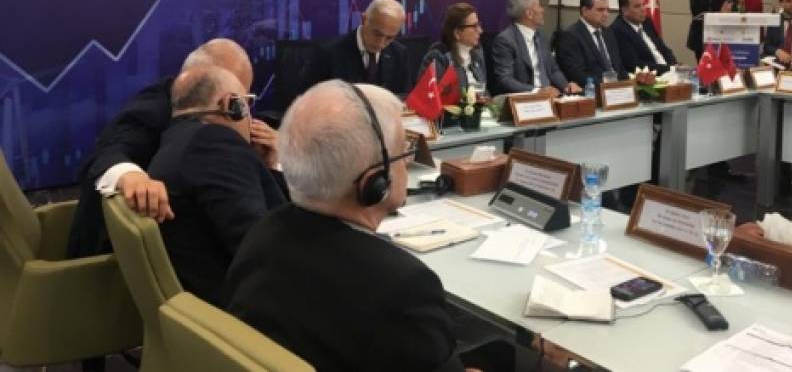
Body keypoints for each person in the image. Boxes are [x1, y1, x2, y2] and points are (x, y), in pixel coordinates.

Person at [224, 81, 497, 371]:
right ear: (373, 182)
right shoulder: (402, 284)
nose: (408, 161)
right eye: (404, 151)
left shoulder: (262, 234)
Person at [67, 39, 272, 259]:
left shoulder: (203, 123)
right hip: (110, 258)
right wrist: (132, 176)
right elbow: (106, 153)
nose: (240, 111)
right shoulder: (156, 108)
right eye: (236, 100)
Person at [150, 67, 287, 306]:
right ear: (231, 105)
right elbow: (261, 247)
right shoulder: (215, 143)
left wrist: (269, 168)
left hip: (197, 306)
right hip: (245, 309)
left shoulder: (175, 140)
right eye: (247, 103)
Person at [491, 0, 581, 97]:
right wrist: (536, 91)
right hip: (525, 98)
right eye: (539, 6)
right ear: (529, 14)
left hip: (549, 96)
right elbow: (505, 79)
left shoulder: (541, 36)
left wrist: (566, 86)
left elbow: (553, 70)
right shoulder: (505, 40)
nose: (543, 10)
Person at [325, 0, 411, 94]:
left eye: (389, 38)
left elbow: (404, 99)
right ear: (363, 19)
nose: (381, 44)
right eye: (377, 34)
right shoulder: (329, 54)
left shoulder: (399, 54)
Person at [556, 0, 626, 87]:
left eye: (607, 10)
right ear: (585, 11)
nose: (606, 14)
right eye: (600, 10)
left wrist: (626, 84)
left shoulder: (608, 32)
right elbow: (577, 74)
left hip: (617, 89)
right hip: (593, 90)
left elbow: (619, 66)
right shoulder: (570, 36)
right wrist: (606, 87)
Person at [420, 2, 488, 94]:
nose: (480, 31)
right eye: (474, 26)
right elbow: (430, 95)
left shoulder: (477, 53)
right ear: (457, 33)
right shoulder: (438, 56)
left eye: (479, 25)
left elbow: (484, 91)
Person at [611, 0, 677, 74]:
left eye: (643, 4)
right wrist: (670, 69)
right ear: (625, 11)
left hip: (669, 71)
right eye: (637, 6)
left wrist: (674, 65)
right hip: (649, 76)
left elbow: (664, 49)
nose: (643, 9)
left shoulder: (647, 22)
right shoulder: (618, 30)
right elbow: (634, 64)